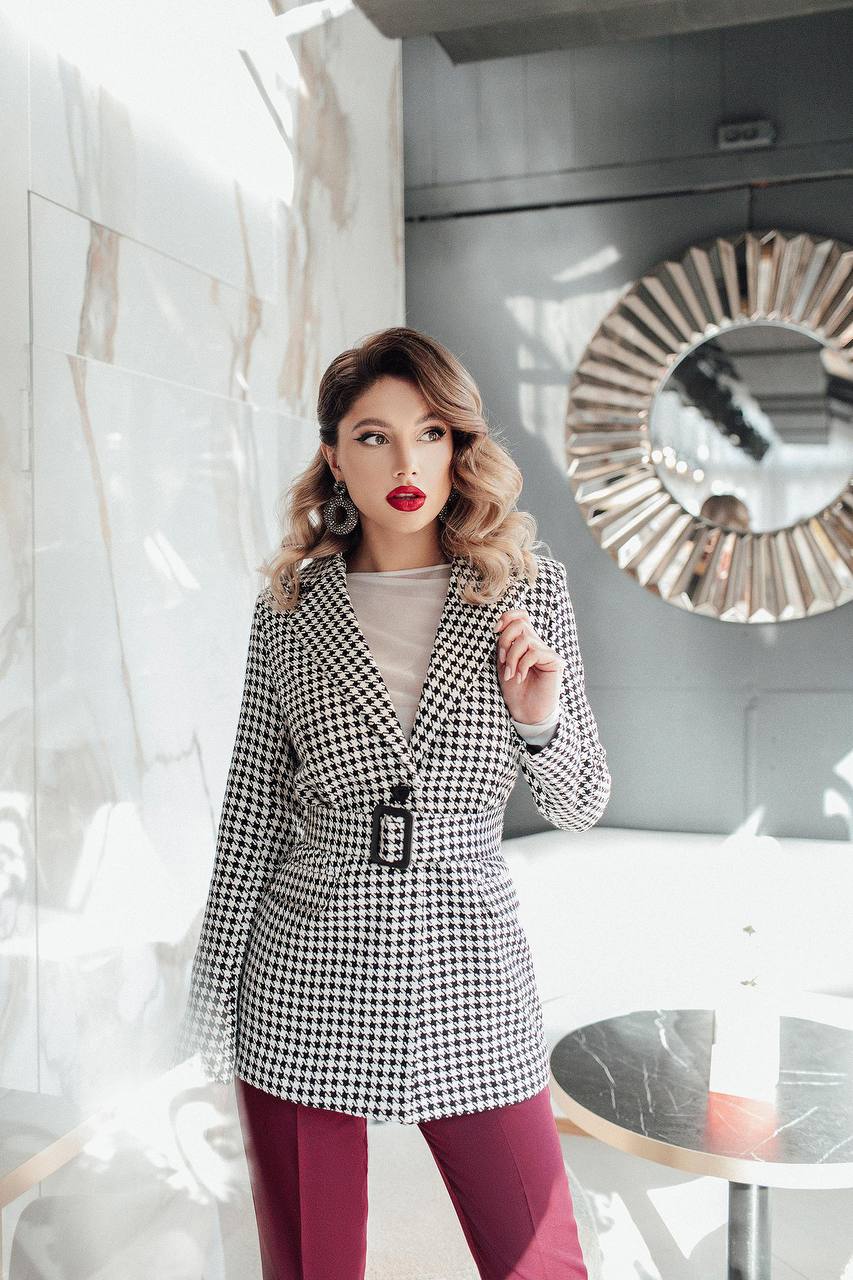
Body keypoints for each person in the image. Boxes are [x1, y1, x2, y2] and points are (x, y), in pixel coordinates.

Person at [174, 325, 611, 1278]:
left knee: (541, 1262)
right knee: (311, 1267)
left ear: (460, 445)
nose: (405, 462)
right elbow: (250, 814)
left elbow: (579, 803)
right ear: (333, 455)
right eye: (373, 436)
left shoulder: (526, 588)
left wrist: (536, 717)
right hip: (300, 974)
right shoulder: (290, 605)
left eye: (429, 434)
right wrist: (208, 1014)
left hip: (470, 970)